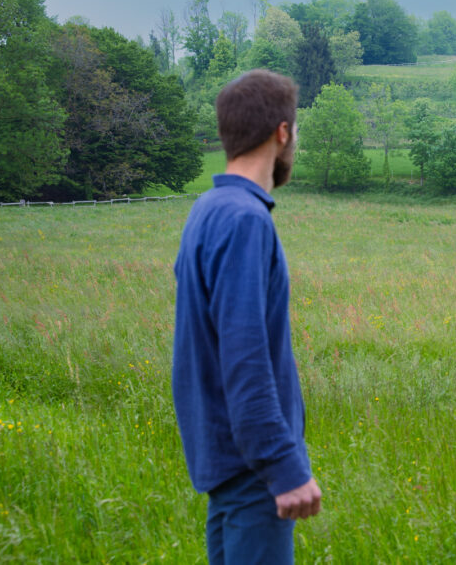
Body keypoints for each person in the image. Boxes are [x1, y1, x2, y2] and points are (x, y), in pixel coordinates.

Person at [173, 69, 321, 563]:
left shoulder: (208, 208)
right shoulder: (245, 221)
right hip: (252, 471)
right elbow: (244, 355)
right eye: (293, 129)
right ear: (283, 132)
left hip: (225, 463)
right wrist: (282, 466)